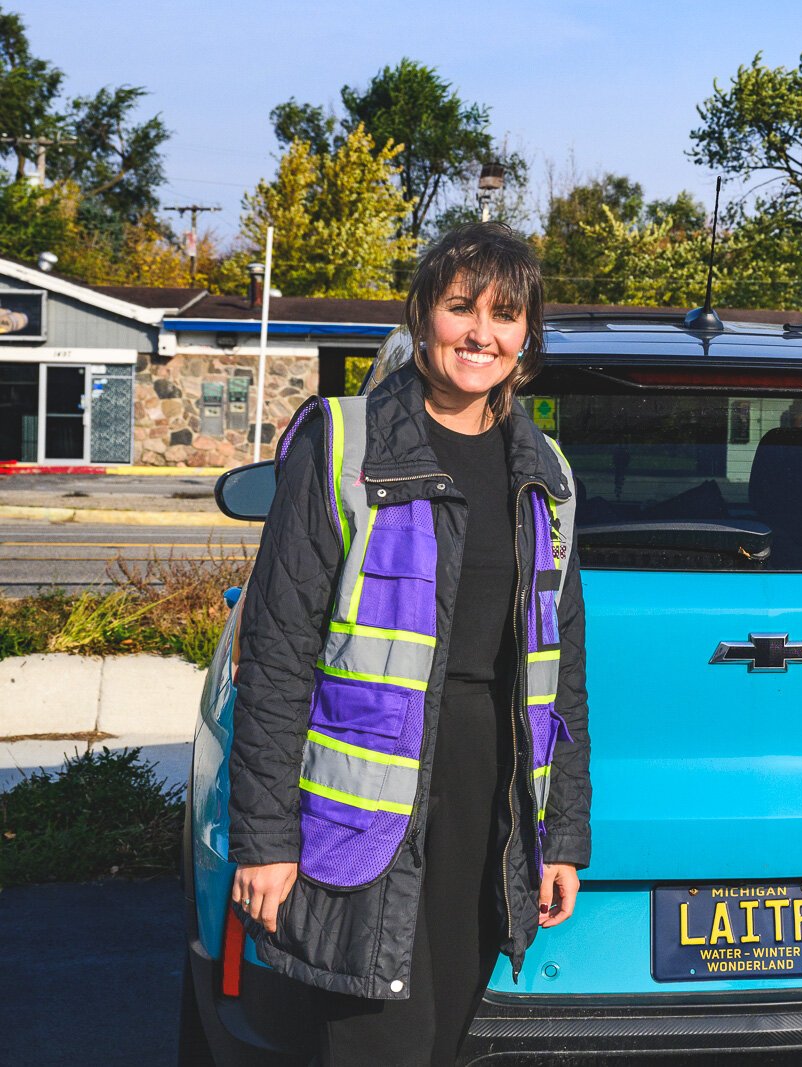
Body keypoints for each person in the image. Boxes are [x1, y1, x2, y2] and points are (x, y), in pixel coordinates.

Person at [227, 221, 591, 1065]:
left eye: (505, 314)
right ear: (422, 314)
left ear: (526, 335)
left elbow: (561, 669)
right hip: (365, 817)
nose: (480, 333)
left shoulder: (548, 471)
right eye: (460, 306)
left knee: (442, 1042)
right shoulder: (341, 442)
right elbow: (276, 654)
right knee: (376, 1044)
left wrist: (560, 834)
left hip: (487, 806)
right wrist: (265, 840)